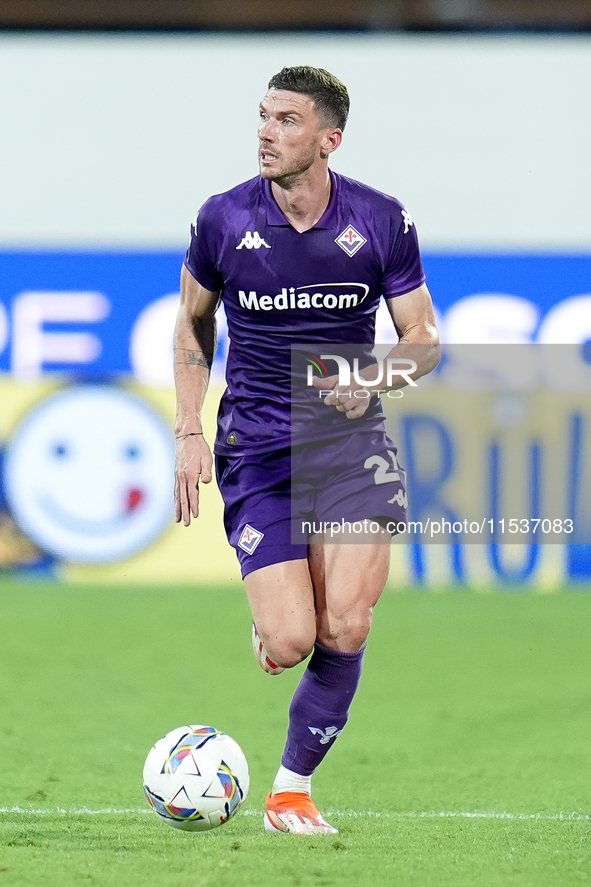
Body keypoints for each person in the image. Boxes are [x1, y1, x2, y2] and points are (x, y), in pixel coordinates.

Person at [173, 66, 439, 835]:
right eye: (262, 116)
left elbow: (422, 337)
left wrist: (375, 375)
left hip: (350, 446)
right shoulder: (222, 218)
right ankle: (274, 616)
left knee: (346, 625)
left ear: (328, 139)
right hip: (256, 447)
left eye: (286, 120)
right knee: (292, 640)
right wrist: (188, 429)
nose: (265, 131)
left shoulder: (380, 219)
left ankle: (290, 791)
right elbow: (191, 324)